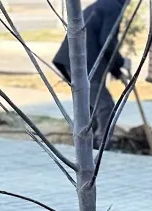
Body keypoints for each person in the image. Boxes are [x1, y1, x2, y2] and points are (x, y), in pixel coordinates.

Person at [53, 0, 129, 149]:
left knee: (90, 108)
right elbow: (107, 43)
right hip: (84, 64)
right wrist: (121, 63)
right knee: (105, 107)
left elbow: (102, 42)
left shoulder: (106, 3)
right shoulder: (114, 7)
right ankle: (103, 149)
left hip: (74, 60)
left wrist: (117, 72)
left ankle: (89, 148)